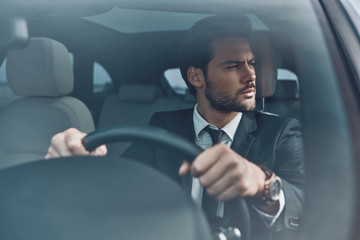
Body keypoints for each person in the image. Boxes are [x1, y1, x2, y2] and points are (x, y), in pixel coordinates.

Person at [46, 15, 304, 240]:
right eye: (233, 66)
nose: (250, 75)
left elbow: (303, 207)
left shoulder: (280, 131)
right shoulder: (163, 125)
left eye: (251, 63)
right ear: (196, 77)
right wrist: (83, 166)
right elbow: (122, 184)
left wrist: (261, 182)